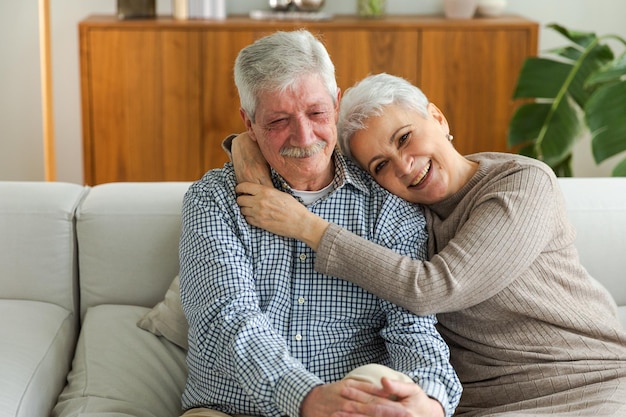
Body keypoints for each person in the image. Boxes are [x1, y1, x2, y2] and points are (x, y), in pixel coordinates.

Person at [233, 73, 626, 416]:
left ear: (436, 117)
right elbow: (307, 146)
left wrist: (308, 227)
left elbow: (433, 288)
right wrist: (244, 144)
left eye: (404, 138)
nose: (403, 166)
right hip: (482, 405)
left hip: (587, 383)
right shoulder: (404, 216)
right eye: (380, 165)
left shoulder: (521, 183)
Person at [178, 32, 462, 417]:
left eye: (316, 113)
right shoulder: (213, 201)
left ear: (337, 103)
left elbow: (412, 328)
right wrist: (308, 399)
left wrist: (429, 401)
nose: (304, 136)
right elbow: (226, 319)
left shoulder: (388, 206)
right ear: (249, 122)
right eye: (278, 121)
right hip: (231, 409)